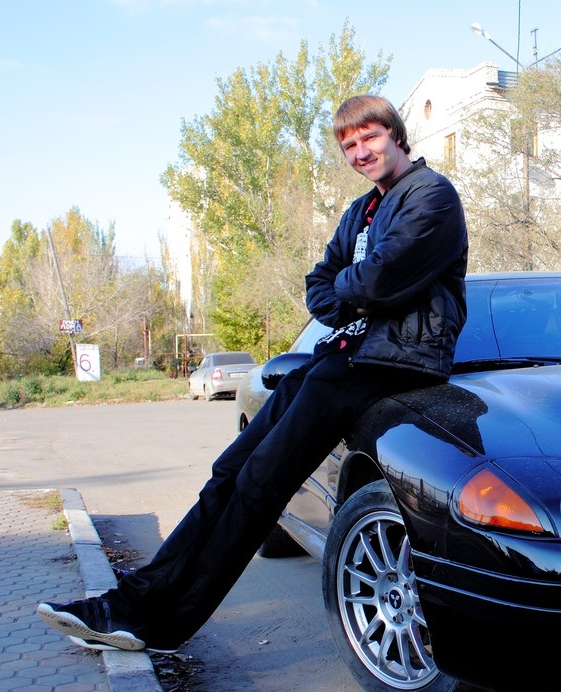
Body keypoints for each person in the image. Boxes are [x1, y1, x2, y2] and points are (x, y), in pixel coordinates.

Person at [37, 95, 468, 653]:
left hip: (391, 365)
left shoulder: (431, 196)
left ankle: (162, 624)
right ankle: (130, 603)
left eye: (370, 138)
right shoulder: (362, 211)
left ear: (397, 134)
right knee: (229, 474)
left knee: (261, 484)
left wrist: (357, 290)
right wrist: (352, 293)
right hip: (340, 358)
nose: (361, 152)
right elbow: (322, 286)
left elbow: (379, 282)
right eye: (349, 146)